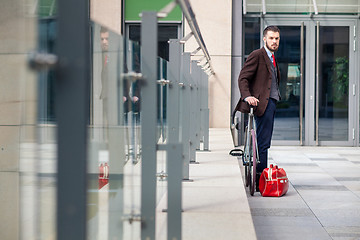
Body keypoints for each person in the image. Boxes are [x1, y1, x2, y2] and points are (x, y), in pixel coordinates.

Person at [235, 25, 281, 191]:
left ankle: (261, 176)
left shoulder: (273, 57)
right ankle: (261, 179)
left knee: (265, 141)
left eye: (276, 38)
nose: (274, 41)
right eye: (271, 38)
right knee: (263, 143)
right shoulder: (258, 55)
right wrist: (247, 96)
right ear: (264, 39)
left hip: (272, 102)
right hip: (261, 104)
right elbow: (243, 78)